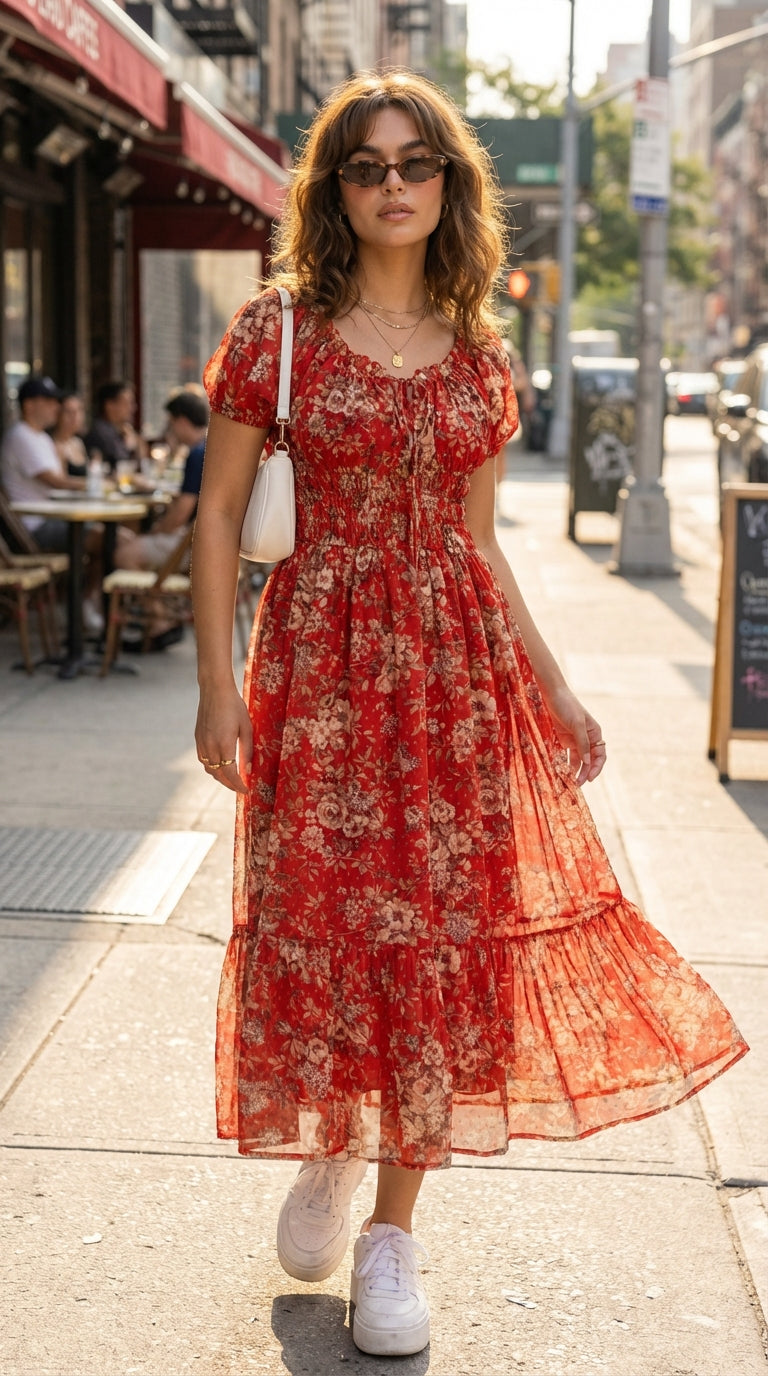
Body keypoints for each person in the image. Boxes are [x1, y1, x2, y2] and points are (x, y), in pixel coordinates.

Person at [192, 71, 747, 1360]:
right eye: (367, 167)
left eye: (417, 163)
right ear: (335, 190)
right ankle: (335, 1139)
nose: (394, 185)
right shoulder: (278, 330)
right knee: (326, 923)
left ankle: (394, 1230)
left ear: (452, 184)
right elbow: (222, 511)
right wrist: (220, 684)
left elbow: (478, 545)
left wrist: (550, 685)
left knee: (443, 947)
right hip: (320, 683)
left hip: (450, 685)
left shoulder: (482, 353)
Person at [1, 376, 105, 632]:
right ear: (29, 405)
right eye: (48, 401)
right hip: (31, 527)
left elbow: (59, 480)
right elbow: (55, 481)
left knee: (114, 536)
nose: (55, 408)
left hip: (52, 517)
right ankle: (84, 604)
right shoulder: (20, 435)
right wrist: (98, 484)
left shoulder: (42, 438)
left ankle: (86, 603)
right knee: (106, 539)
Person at [115, 389, 207, 573]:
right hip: (207, 542)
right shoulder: (208, 445)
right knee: (133, 540)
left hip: (196, 549)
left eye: (171, 423)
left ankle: (155, 602)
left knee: (123, 554)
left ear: (181, 421)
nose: (170, 430)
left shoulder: (197, 454)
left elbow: (181, 513)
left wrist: (155, 532)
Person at [84, 380, 146, 475]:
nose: (133, 408)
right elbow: (119, 464)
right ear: (109, 405)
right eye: (127, 403)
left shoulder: (123, 430)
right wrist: (130, 445)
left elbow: (142, 461)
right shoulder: (100, 432)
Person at [51, 392, 89, 477]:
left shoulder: (78, 442)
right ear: (57, 415)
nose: (75, 416)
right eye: (68, 412)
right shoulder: (53, 445)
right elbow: (60, 481)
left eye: (79, 410)